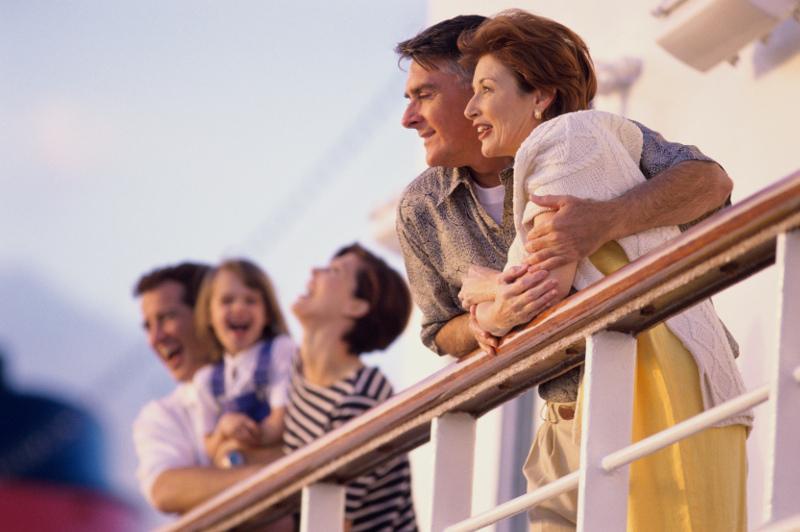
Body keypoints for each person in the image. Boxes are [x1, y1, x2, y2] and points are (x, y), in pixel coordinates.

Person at [457, 10, 750, 531]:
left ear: (541, 96)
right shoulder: (597, 137)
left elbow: (537, 288)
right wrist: (488, 302)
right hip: (648, 378)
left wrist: (480, 291)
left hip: (651, 383)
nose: (471, 107)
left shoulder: (566, 140)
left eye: (485, 88)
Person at [395, 14, 734, 368]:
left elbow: (712, 184)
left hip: (666, 368)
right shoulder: (420, 208)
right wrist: (484, 318)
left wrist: (608, 219)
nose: (408, 117)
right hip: (566, 410)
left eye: (424, 94)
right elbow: (440, 330)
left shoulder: (577, 139)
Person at [286, 243, 417, 532]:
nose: (313, 271)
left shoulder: (365, 396)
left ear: (357, 306)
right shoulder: (292, 369)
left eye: (333, 271)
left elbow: (330, 522)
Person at [132, 263, 266, 514]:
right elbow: (165, 489)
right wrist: (265, 474)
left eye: (167, 317)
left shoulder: (275, 369)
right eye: (148, 326)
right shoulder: (163, 415)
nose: (155, 338)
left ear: (207, 314)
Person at [193, 259, 295, 467]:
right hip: (242, 477)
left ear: (267, 314)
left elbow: (280, 422)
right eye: (227, 300)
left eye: (251, 300)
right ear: (209, 315)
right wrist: (224, 428)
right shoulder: (206, 380)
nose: (239, 308)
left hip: (279, 465)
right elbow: (209, 447)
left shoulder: (280, 350)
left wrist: (239, 443)